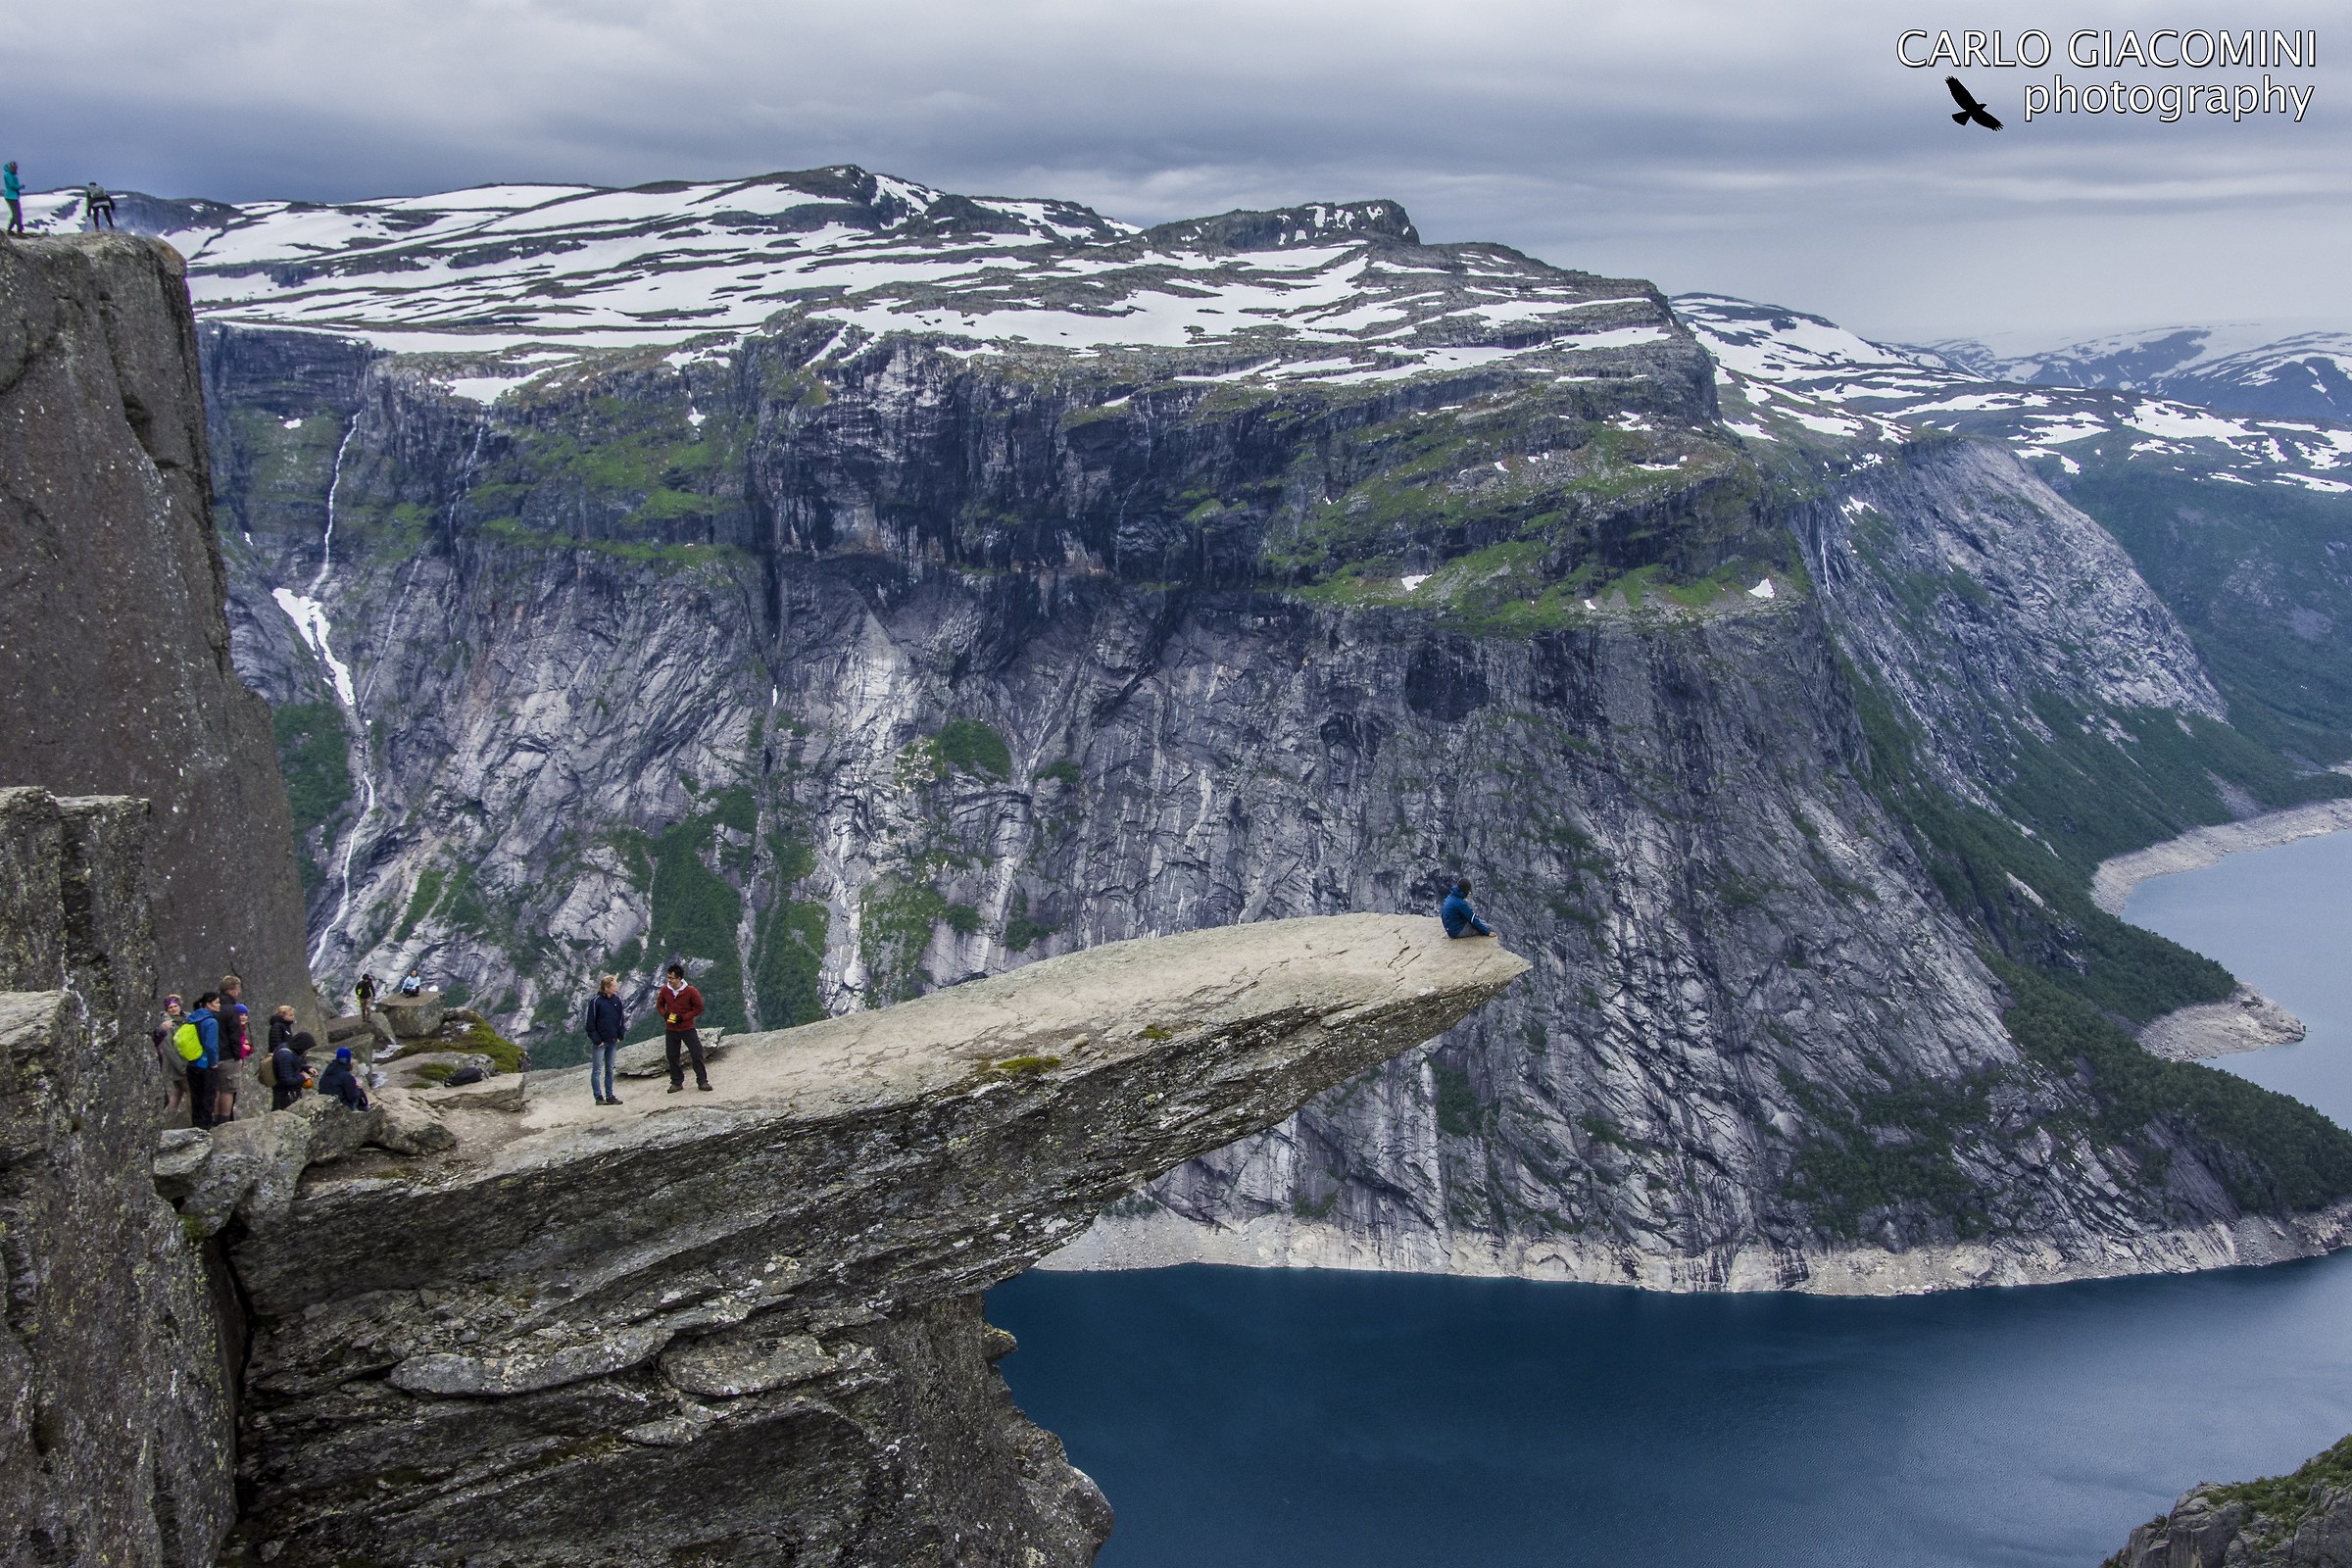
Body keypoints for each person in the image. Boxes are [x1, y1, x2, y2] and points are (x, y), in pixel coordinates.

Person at [656, 962, 711, 1094]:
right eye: (668, 977)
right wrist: (665, 1015)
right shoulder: (665, 990)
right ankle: (676, 1082)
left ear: (679, 978)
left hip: (687, 1027)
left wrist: (684, 1017)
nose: (669, 980)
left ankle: (702, 1081)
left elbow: (699, 1008)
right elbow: (659, 1005)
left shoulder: (691, 991)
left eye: (671, 978)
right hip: (671, 1028)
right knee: (672, 1055)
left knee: (696, 1053)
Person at [584, 974, 626, 1106]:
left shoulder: (617, 1001)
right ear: (607, 987)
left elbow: (620, 1019)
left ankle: (609, 1095)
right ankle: (598, 1097)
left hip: (613, 1040)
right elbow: (590, 1024)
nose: (617, 988)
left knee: (609, 1069)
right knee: (597, 1070)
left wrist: (620, 1035)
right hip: (601, 1042)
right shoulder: (596, 1002)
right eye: (614, 986)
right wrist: (597, 1040)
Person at [184, 993, 223, 1130]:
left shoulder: (192, 1018)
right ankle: (205, 1128)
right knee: (208, 1097)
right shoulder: (211, 1021)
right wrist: (214, 1062)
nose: (219, 1005)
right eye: (217, 1003)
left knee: (196, 1097)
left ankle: (195, 1126)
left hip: (192, 1063)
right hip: (206, 1064)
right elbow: (211, 1045)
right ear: (208, 1004)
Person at [217, 974, 252, 1124]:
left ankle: (214, 1120)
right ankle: (225, 1121)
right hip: (228, 1056)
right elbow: (234, 1035)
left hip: (214, 1056)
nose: (238, 993)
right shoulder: (231, 1010)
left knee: (217, 1089)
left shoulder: (214, 1007)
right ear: (231, 990)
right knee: (228, 1090)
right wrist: (238, 1054)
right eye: (237, 990)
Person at [153, 995, 189, 1118]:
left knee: (177, 1093)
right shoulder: (167, 1024)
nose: (173, 1009)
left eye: (175, 1006)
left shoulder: (185, 1019)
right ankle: (193, 1120)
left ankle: (168, 1121)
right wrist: (181, 1067)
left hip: (182, 1062)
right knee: (190, 1092)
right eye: (170, 1007)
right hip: (178, 1064)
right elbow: (168, 1048)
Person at [271, 1030, 316, 1112]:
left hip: (290, 1092)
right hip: (284, 1095)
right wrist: (303, 1077)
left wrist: (307, 1068)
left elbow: (293, 1064)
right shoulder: (285, 1056)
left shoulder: (290, 1048)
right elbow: (286, 1080)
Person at [319, 1047, 370, 1112]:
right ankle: (365, 1111)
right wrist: (358, 1088)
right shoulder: (346, 1076)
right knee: (359, 1091)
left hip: (326, 1104)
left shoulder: (328, 1071)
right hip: (341, 1107)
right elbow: (352, 1097)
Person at [4, 164, 22, 235]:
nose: (15, 169)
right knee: (16, 213)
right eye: (13, 168)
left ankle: (10, 230)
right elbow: (12, 185)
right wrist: (20, 186)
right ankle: (19, 230)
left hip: (14, 196)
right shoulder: (8, 175)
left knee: (16, 213)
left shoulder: (12, 175)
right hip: (10, 197)